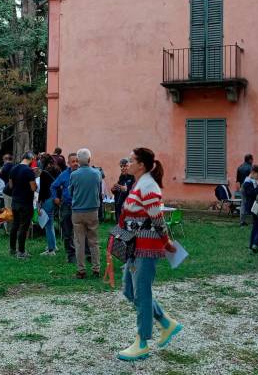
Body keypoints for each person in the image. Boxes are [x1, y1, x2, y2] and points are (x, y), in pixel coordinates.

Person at [117, 147, 181, 361]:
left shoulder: (148, 186)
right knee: (129, 290)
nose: (129, 162)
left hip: (146, 246)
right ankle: (165, 323)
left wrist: (167, 242)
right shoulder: (139, 183)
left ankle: (142, 342)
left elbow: (157, 218)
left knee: (142, 293)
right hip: (134, 246)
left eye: (132, 160)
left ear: (141, 164)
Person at [69, 148, 102, 279]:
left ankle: (81, 270)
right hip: (93, 210)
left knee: (79, 241)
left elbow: (71, 192)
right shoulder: (96, 173)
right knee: (93, 241)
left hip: (77, 211)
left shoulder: (74, 175)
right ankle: (96, 268)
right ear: (89, 160)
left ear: (78, 161)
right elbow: (98, 189)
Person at [51, 153, 79, 264]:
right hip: (67, 206)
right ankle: (70, 254)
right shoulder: (64, 175)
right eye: (73, 161)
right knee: (67, 232)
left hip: (79, 207)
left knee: (80, 232)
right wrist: (55, 198)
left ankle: (85, 253)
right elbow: (53, 186)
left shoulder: (82, 174)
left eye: (77, 161)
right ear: (68, 163)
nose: (76, 163)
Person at [8, 152, 37, 258]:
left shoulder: (13, 169)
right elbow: (33, 188)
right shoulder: (29, 171)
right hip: (25, 203)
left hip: (15, 201)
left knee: (15, 225)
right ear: (31, 159)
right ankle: (21, 251)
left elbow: (10, 185)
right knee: (23, 227)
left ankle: (12, 249)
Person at [38, 154, 59, 255]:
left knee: (48, 225)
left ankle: (51, 249)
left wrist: (39, 203)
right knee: (50, 223)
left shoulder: (44, 173)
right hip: (55, 199)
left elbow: (42, 190)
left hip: (47, 198)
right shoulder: (57, 169)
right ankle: (53, 245)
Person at [243, 166, 258, 252]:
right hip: (253, 207)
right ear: (253, 173)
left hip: (256, 206)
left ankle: (254, 244)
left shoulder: (254, 181)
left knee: (257, 225)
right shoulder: (247, 182)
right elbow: (252, 194)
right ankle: (254, 243)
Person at [111, 158, 135, 223]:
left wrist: (125, 189)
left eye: (124, 166)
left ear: (129, 166)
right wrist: (113, 189)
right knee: (119, 227)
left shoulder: (133, 177)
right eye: (121, 166)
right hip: (118, 207)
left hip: (128, 208)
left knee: (126, 228)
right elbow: (119, 190)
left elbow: (134, 192)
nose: (122, 168)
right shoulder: (121, 176)